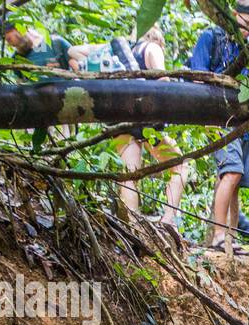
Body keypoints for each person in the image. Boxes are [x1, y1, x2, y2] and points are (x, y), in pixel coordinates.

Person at [68, 27, 190, 227]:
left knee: (130, 172)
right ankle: (168, 221)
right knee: (180, 165)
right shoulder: (152, 48)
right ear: (159, 36)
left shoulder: (120, 52)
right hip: (144, 118)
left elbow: (73, 51)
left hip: (117, 116)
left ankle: (132, 225)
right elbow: (163, 82)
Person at [186, 1, 249, 253]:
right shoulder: (211, 37)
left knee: (234, 181)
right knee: (231, 173)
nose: (248, 30)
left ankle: (229, 237)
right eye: (245, 24)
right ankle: (219, 234)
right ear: (233, 15)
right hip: (218, 117)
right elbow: (197, 77)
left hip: (242, 121)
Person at [0, 19, 73, 69]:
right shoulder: (16, 59)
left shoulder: (56, 43)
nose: (9, 44)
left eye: (9, 39)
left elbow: (79, 71)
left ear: (20, 29)